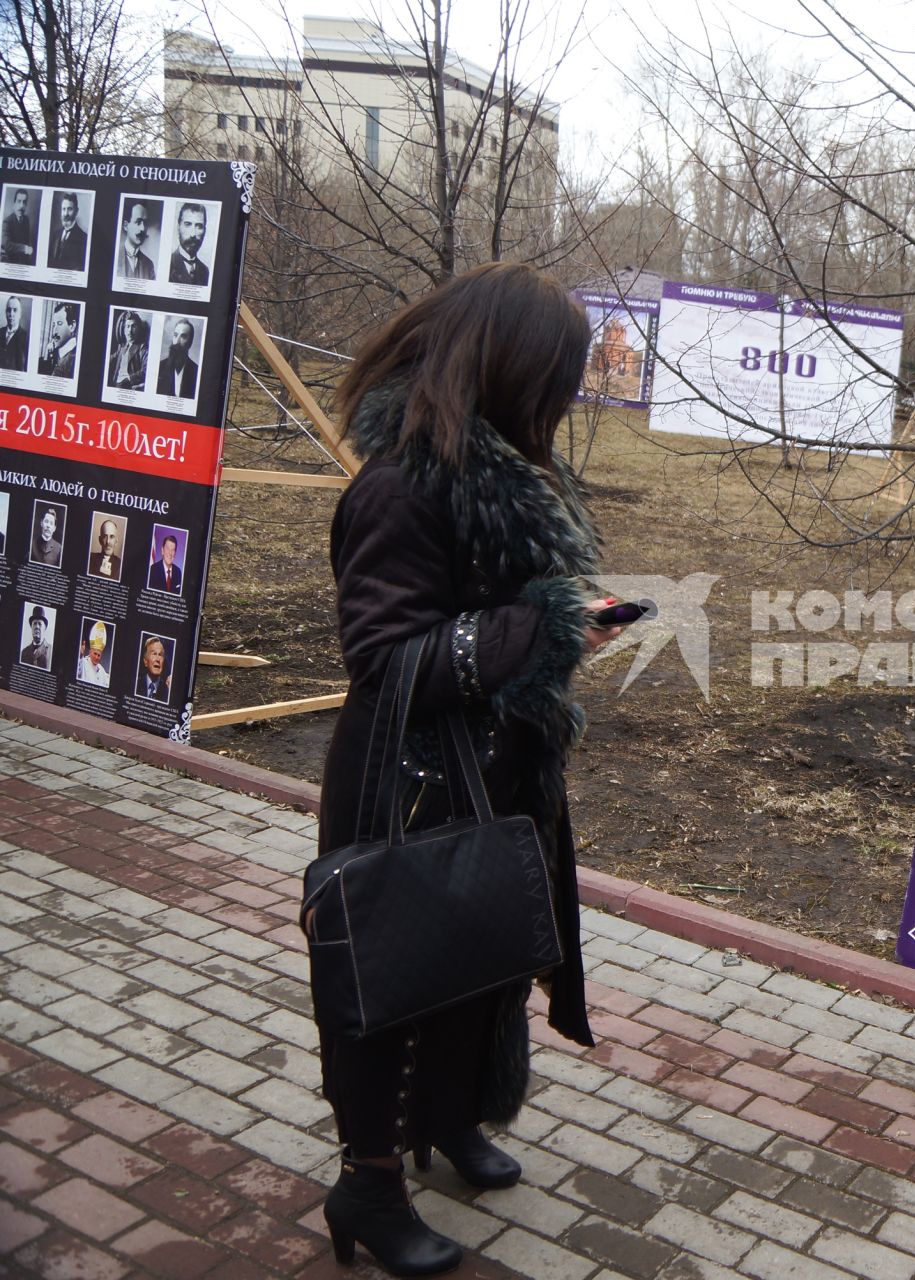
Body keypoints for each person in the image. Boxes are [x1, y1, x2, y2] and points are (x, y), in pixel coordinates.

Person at [311, 264, 622, 1275]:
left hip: (496, 763)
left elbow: (510, 615)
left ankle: (447, 1120)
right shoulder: (399, 484)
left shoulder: (505, 471)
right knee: (392, 974)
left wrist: (568, 626)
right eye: (553, 379)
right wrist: (546, 625)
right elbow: (384, 656)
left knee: (483, 963)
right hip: (405, 775)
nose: (561, 402)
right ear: (504, 368)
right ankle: (365, 1182)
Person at [155, 318, 199, 398]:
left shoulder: (197, 371)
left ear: (190, 342)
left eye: (183, 336)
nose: (177, 341)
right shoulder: (159, 368)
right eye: (175, 335)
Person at [169, 203, 211, 285]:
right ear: (178, 228)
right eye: (188, 224)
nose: (193, 234)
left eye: (199, 226)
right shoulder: (168, 265)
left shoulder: (205, 271)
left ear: (204, 231)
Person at [118, 198, 157, 280]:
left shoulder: (149, 265)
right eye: (138, 222)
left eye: (145, 223)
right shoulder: (114, 257)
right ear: (126, 226)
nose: (143, 228)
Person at [108, 311, 148, 390]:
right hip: (114, 383)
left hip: (126, 386)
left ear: (138, 328)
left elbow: (146, 370)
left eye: (133, 326)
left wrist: (129, 379)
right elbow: (111, 358)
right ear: (124, 329)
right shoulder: (122, 346)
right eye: (127, 326)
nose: (129, 331)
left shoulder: (142, 347)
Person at [47, 192, 86, 270]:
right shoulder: (55, 235)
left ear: (76, 211)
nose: (65, 214)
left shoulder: (84, 238)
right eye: (63, 209)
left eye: (69, 209)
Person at [38, 302, 77, 378]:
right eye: (53, 325)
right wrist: (47, 356)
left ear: (72, 326)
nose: (54, 330)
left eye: (59, 323)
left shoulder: (74, 357)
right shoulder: (54, 353)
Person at [75, 621, 112, 686]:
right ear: (90, 652)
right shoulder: (83, 663)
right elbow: (78, 670)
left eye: (99, 655)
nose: (96, 657)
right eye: (95, 654)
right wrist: (80, 654)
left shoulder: (102, 670)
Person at [2, 189, 34, 263]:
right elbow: (6, 245)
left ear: (26, 205)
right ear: (14, 203)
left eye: (24, 202)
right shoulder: (7, 221)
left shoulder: (26, 220)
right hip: (11, 261)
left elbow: (27, 240)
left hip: (24, 260)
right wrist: (25, 248)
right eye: (19, 201)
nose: (21, 206)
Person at [135, 636, 170, 701]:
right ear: (145, 661)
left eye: (160, 655)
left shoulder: (167, 690)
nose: (158, 659)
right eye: (154, 654)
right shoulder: (136, 684)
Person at [0, 296, 28, 371]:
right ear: (5, 312)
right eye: (9, 310)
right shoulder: (0, 332)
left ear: (20, 314)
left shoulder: (26, 337)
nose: (11, 314)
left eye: (15, 310)